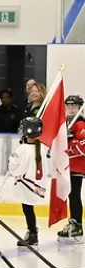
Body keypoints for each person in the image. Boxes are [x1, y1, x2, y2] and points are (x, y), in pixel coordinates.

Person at [8, 117, 48, 248]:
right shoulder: (43, 148)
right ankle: (32, 232)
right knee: (29, 209)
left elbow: (13, 167)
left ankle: (32, 233)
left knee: (28, 209)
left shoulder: (22, 149)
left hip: (27, 184)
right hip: (37, 184)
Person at [59, 94, 85, 243]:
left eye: (74, 106)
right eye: (68, 106)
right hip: (68, 165)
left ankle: (77, 225)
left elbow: (83, 145)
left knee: (74, 194)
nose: (70, 109)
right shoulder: (67, 123)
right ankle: (74, 222)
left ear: (80, 108)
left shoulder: (80, 124)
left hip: (77, 165)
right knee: (71, 194)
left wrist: (68, 148)